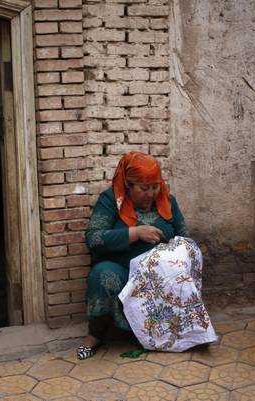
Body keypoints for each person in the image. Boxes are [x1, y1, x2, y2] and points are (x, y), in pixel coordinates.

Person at [77, 151, 190, 360]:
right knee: (102, 274)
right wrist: (135, 233)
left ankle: (163, 331)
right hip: (123, 271)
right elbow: (94, 238)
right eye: (144, 188)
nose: (151, 194)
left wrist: (175, 253)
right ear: (128, 185)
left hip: (158, 275)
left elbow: (186, 239)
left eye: (155, 187)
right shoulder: (111, 200)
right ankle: (95, 335)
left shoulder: (167, 201)